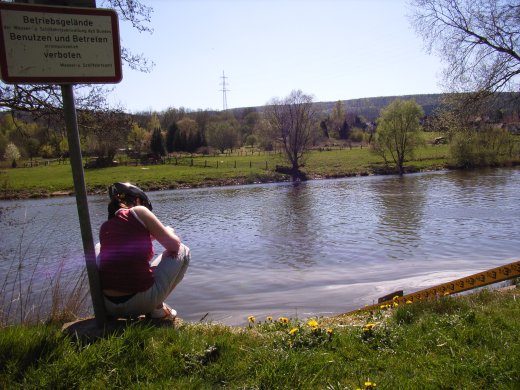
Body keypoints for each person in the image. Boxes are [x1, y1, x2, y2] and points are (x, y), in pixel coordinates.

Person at [97, 182, 190, 320]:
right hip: (140, 303)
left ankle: (152, 307)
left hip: (108, 306)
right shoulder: (139, 211)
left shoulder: (105, 227)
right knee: (183, 250)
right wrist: (169, 231)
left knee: (98, 247)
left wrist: (153, 235)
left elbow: (128, 246)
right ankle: (156, 308)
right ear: (137, 201)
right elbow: (174, 246)